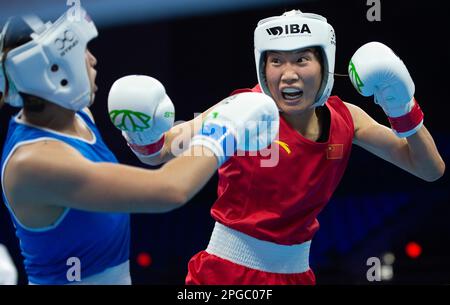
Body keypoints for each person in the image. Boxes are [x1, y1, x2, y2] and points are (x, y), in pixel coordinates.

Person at [131, 9, 445, 284]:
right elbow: (162, 150)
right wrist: (142, 130)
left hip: (299, 274)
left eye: (301, 60)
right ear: (262, 67)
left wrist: (401, 107)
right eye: (276, 61)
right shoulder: (243, 109)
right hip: (226, 273)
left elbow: (429, 169)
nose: (288, 74)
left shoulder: (346, 117)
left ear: (324, 64)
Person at [0, 7, 279, 285]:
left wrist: (232, 106)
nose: (93, 60)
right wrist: (226, 129)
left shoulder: (74, 117)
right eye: (81, 52)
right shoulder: (34, 163)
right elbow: (170, 190)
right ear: (55, 70)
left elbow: (168, 153)